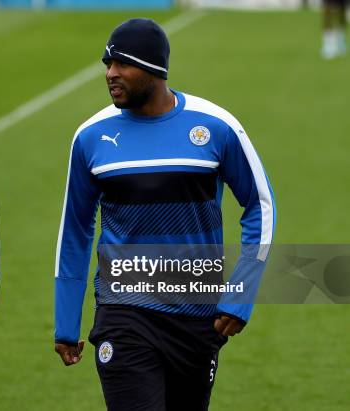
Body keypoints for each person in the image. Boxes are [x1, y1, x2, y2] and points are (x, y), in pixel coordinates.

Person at [54, 19, 275, 411]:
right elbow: (75, 229)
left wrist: (241, 294)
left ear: (154, 70)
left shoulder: (216, 127)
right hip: (123, 311)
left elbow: (261, 205)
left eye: (122, 64)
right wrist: (66, 321)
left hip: (197, 316)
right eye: (108, 64)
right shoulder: (91, 137)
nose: (110, 74)